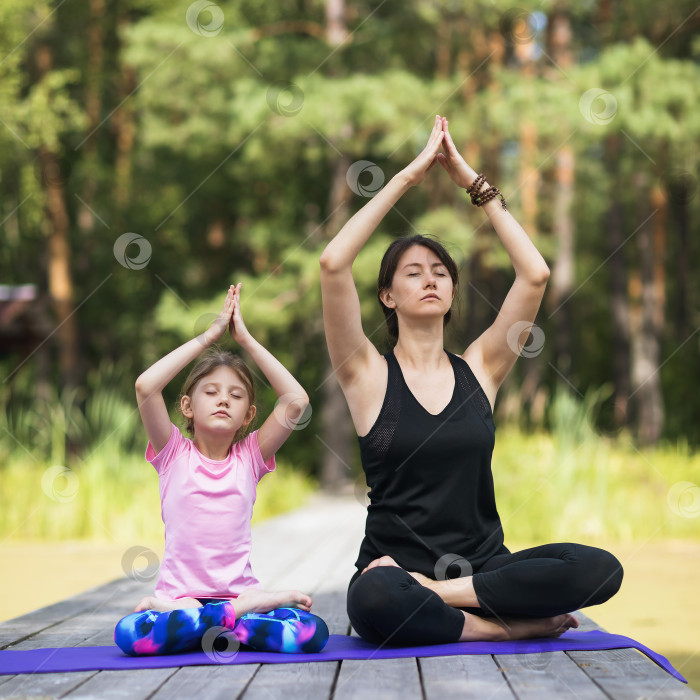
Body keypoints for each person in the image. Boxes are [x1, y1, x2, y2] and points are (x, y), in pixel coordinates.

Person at [319, 115, 623, 646]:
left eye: (440, 271)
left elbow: (535, 273)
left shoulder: (481, 367)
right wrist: (409, 178)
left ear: (453, 292)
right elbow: (332, 263)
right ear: (388, 296)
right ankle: (498, 630)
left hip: (483, 573)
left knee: (600, 568)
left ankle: (444, 603)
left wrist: (473, 186)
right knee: (374, 597)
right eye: (413, 272)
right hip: (392, 574)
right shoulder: (366, 373)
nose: (430, 278)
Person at [114, 283, 328, 655]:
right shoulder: (173, 453)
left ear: (248, 416)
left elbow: (296, 402)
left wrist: (244, 339)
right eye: (210, 392)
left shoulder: (249, 457)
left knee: (313, 632)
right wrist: (209, 336)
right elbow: (145, 386)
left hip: (232, 598)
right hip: (181, 599)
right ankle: (228, 618)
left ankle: (213, 620)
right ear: (187, 406)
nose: (223, 399)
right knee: (128, 633)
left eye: (235, 394)